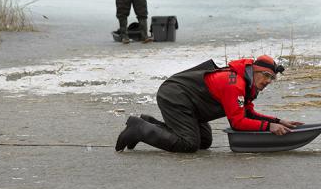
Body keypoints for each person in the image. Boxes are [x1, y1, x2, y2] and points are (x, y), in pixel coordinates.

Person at [115, 55, 302, 152]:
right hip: (175, 96)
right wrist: (269, 127)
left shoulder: (246, 84)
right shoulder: (235, 85)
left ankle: (149, 123)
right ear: (255, 71)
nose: (268, 81)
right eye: (266, 76)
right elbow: (237, 123)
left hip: (191, 104)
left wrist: (279, 120)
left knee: (204, 142)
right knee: (188, 144)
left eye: (272, 78)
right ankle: (140, 129)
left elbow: (248, 114)